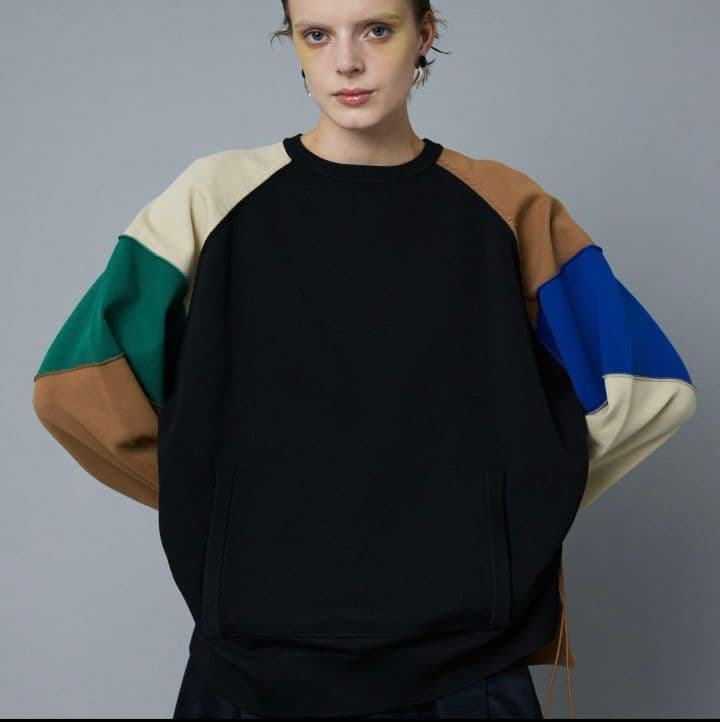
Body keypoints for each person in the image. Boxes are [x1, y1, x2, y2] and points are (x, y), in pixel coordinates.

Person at [31, 0, 697, 719]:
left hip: (465, 667)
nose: (346, 62)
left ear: (424, 35)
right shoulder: (212, 197)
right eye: (317, 35)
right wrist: (222, 505)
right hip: (253, 665)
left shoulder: (507, 206)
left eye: (377, 29)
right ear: (295, 44)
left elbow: (649, 389)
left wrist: (504, 517)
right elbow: (75, 387)